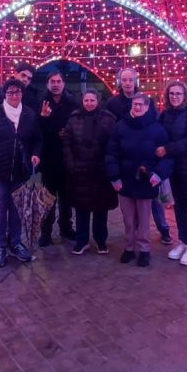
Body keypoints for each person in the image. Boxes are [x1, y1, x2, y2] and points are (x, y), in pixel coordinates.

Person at [104, 68, 172, 244]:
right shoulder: (113, 103)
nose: (127, 83)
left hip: (147, 160)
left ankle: (163, 228)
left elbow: (155, 125)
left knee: (152, 202)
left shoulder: (147, 101)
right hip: (127, 159)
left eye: (130, 80)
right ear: (120, 82)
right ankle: (133, 238)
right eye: (124, 80)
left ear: (136, 81)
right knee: (130, 206)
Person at [0, 78, 42, 269]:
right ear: (4, 94)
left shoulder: (29, 114)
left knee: (16, 208)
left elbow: (38, 139)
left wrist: (35, 154)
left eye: (17, 92)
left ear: (22, 94)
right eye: (10, 92)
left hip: (20, 171)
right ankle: (0, 246)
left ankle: (15, 242)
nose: (14, 96)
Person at [157, 80, 187, 266]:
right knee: (178, 206)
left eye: (178, 93)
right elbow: (159, 134)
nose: (175, 96)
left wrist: (168, 149)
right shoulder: (166, 114)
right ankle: (184, 241)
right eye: (172, 93)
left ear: (184, 95)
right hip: (174, 167)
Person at [63, 89, 117, 255]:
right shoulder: (74, 118)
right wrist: (70, 163)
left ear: (97, 101)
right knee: (81, 208)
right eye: (86, 100)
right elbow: (67, 142)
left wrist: (109, 165)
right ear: (82, 101)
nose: (89, 103)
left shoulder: (108, 119)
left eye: (92, 100)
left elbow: (113, 143)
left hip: (101, 171)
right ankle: (82, 240)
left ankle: (101, 240)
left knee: (101, 209)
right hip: (80, 170)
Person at [39, 71, 78, 245]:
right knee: (47, 199)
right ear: (48, 84)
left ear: (63, 83)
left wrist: (68, 133)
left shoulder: (72, 102)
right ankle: (45, 232)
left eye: (59, 81)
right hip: (47, 158)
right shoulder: (40, 101)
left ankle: (66, 228)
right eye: (52, 81)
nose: (56, 84)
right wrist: (44, 119)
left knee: (66, 197)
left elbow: (77, 126)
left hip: (66, 156)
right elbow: (35, 129)